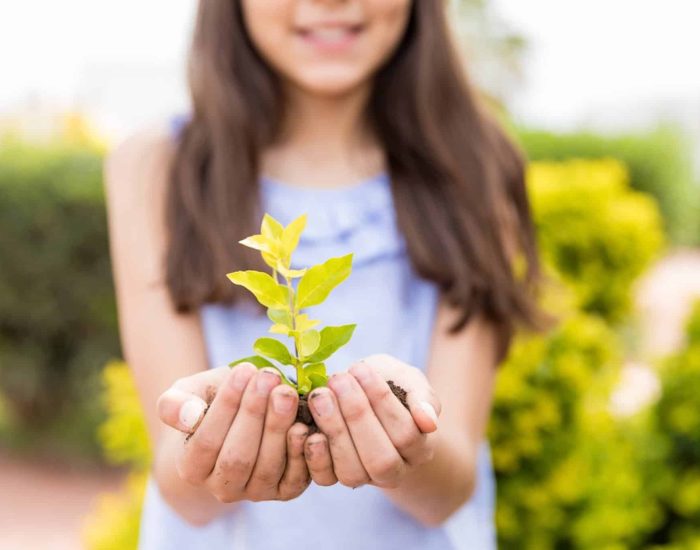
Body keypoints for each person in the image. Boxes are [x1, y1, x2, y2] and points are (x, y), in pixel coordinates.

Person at [104, 1, 544, 549]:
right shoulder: (157, 166)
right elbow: (181, 488)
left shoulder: (475, 165)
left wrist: (408, 439)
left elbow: (449, 490)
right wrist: (210, 437)